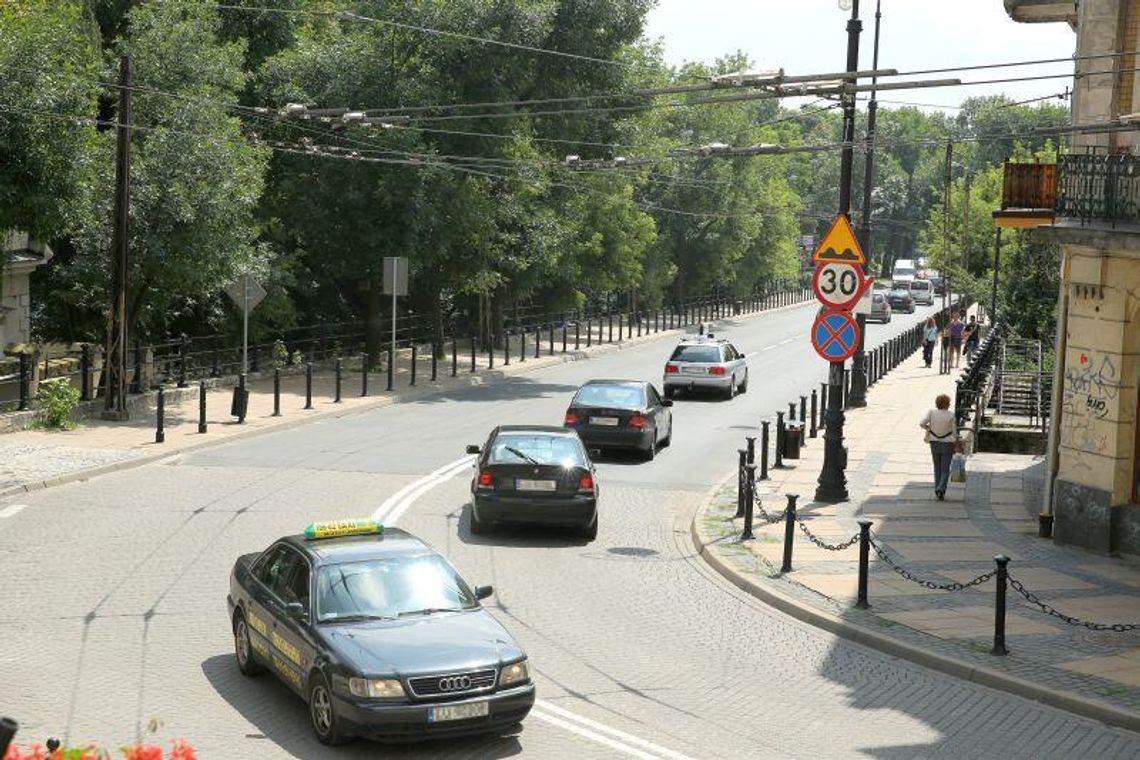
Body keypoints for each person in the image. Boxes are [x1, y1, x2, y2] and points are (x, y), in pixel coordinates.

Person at [920, 393, 959, 500]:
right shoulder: (951, 415)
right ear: (946, 404)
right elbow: (954, 433)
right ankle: (941, 488)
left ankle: (938, 488)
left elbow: (922, 423)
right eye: (949, 403)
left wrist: (929, 429)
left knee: (937, 467)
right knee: (945, 468)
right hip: (947, 443)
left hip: (934, 442)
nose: (950, 404)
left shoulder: (932, 413)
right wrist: (956, 444)